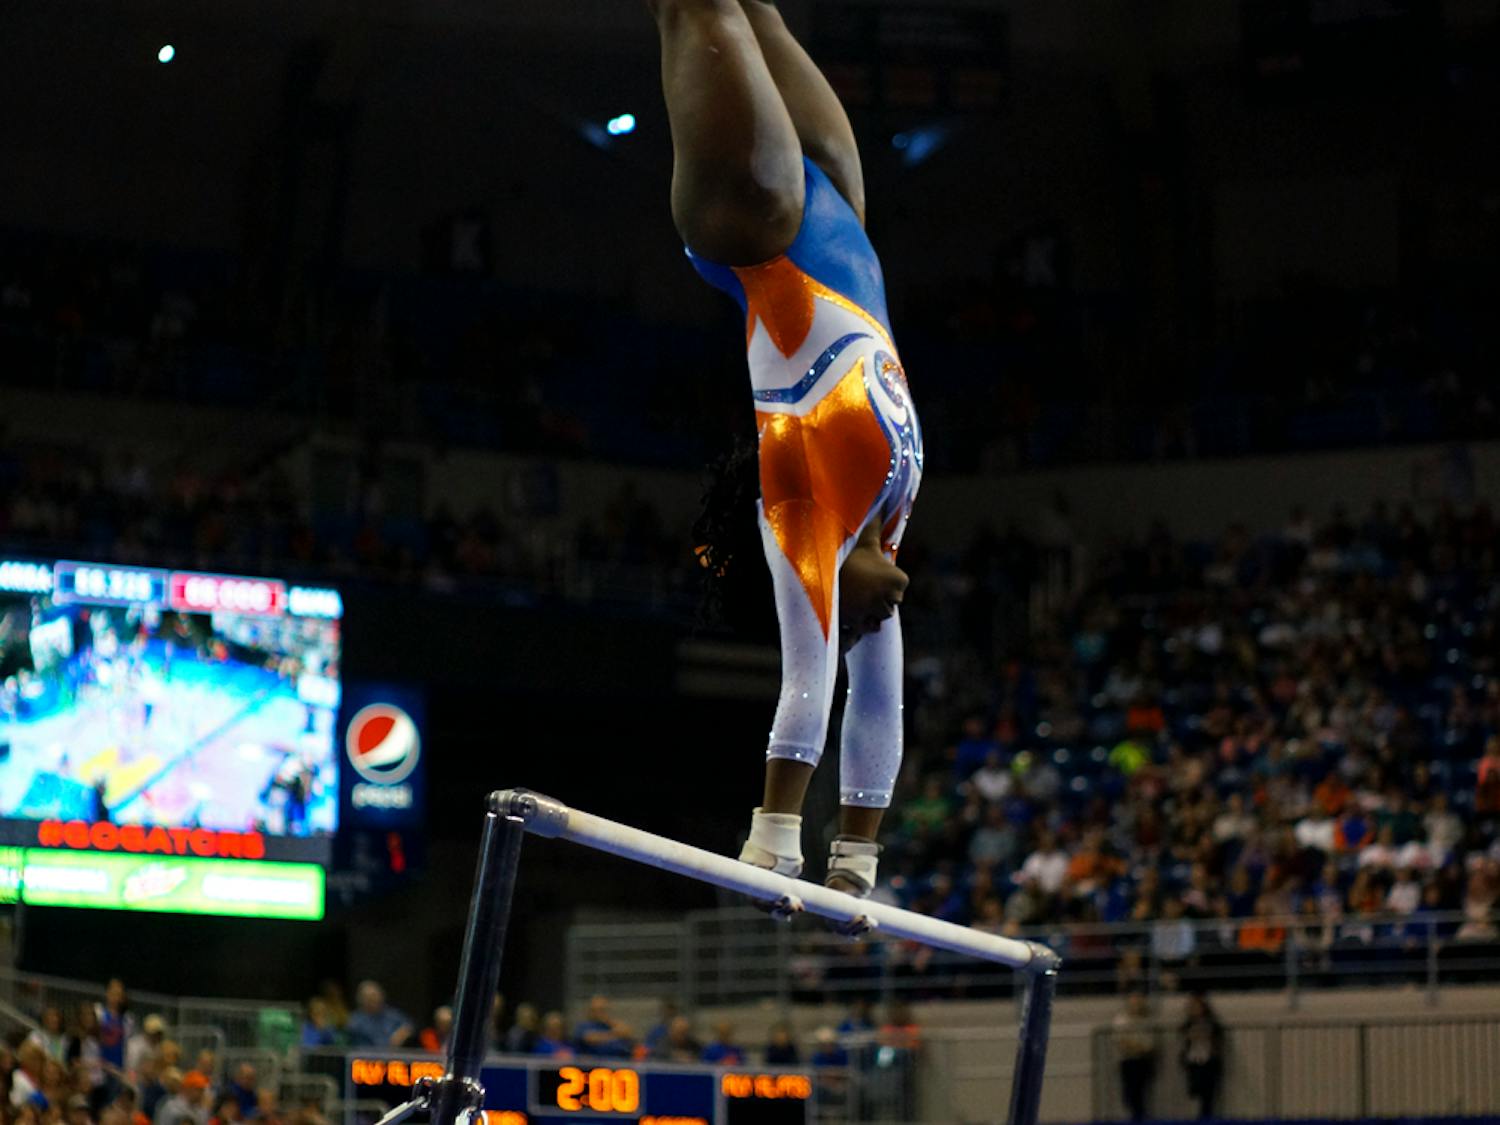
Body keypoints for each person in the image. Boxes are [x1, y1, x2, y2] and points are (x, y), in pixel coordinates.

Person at [648, 0, 922, 909]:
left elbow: (811, 683)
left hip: (753, 227)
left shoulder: (803, 512)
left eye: (858, 620)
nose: (894, 610)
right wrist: (858, 863)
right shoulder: (891, 517)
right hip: (838, 211)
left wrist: (776, 845)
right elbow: (878, 703)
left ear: (833, 598)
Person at [1178, 993, 1224, 1120]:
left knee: (1208, 1093)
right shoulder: (1187, 1024)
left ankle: (1205, 1117)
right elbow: (1183, 1035)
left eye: (1198, 1006)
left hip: (1208, 1061)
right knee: (1195, 1090)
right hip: (1193, 1061)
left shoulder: (1211, 1023)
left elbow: (1218, 1037)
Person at [1112, 991, 1155, 1123]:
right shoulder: (1121, 1020)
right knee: (1130, 1092)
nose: (1136, 1003)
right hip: (1128, 1061)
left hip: (1143, 1060)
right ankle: (1134, 1116)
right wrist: (1135, 1046)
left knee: (1142, 1091)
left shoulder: (1147, 1019)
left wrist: (1137, 1046)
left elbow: (1150, 1044)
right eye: (1134, 999)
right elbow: (1121, 1041)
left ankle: (1141, 1116)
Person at [345, 982, 412, 1049]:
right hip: (367, 1056)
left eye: (374, 995)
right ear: (361, 999)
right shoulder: (355, 1021)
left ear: (381, 996)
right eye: (367, 997)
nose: (372, 999)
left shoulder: (392, 1015)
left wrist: (401, 1033)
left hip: (393, 1055)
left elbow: (408, 1025)